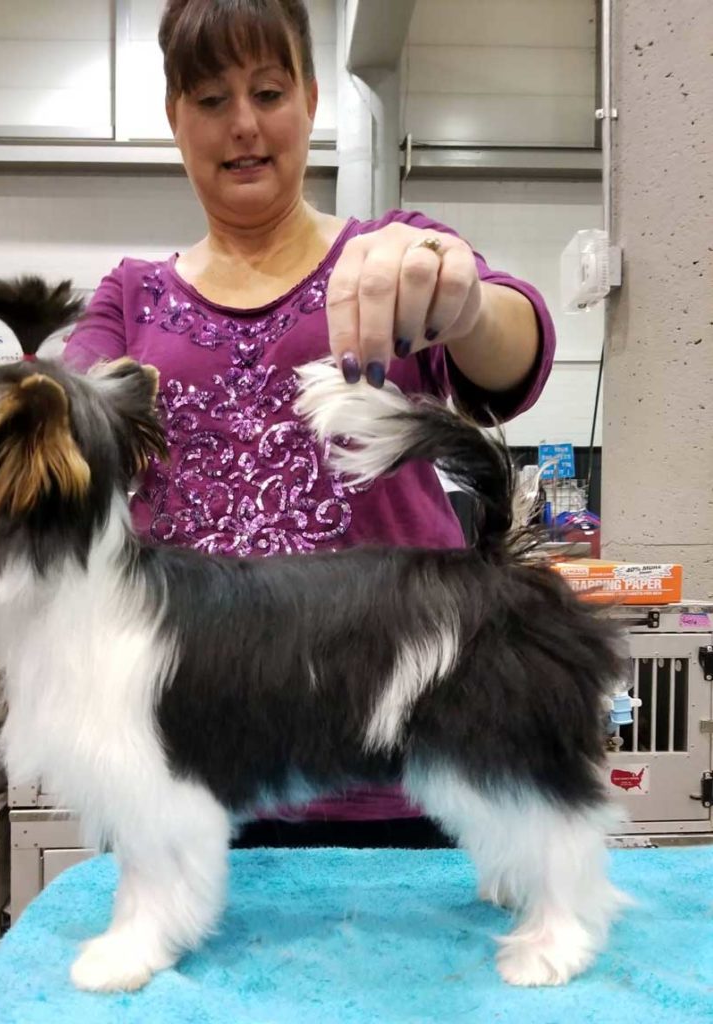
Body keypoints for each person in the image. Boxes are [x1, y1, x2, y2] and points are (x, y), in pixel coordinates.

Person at [63, 0, 555, 847]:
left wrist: (467, 304)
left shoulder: (393, 251)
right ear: (175, 118)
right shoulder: (130, 297)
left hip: (400, 760)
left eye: (268, 91)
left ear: (312, 99)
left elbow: (516, 359)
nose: (244, 125)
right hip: (191, 776)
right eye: (212, 100)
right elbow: (63, 435)